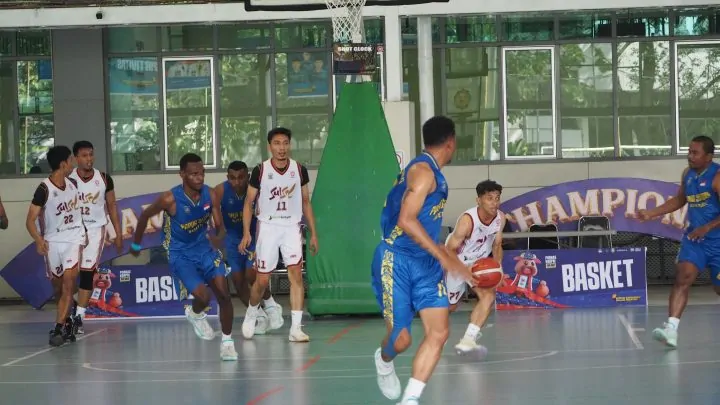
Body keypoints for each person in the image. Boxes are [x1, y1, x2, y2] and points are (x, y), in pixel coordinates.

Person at [371, 116, 475, 405]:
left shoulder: (434, 175)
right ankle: (383, 360)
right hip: (396, 259)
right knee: (401, 340)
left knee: (439, 333)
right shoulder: (423, 172)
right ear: (451, 142)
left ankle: (411, 399)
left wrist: (448, 256)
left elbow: (424, 226)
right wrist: (443, 256)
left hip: (425, 265)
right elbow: (406, 220)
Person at [129, 153, 238, 361]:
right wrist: (135, 244)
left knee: (224, 295)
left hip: (205, 249)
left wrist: (218, 239)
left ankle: (227, 343)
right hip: (181, 255)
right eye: (194, 174)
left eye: (202, 173)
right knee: (203, 298)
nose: (200, 177)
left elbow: (220, 227)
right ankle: (195, 313)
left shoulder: (210, 194)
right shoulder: (169, 199)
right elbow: (144, 216)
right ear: (182, 175)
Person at [639, 135, 720, 348]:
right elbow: (680, 199)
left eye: (695, 153)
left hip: (718, 241)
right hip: (695, 240)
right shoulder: (688, 174)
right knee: (683, 277)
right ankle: (671, 330)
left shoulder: (717, 177)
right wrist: (651, 213)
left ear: (709, 156)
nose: (690, 156)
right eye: (689, 152)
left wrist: (707, 227)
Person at [239, 127, 319, 343]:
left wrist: (313, 233)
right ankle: (252, 313)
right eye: (277, 143)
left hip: (291, 226)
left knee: (296, 275)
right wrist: (246, 233)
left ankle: (296, 328)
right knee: (262, 280)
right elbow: (248, 203)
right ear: (269, 146)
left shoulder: (299, 170)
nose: (281, 147)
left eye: (285, 143)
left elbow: (306, 202)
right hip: (268, 226)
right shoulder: (260, 170)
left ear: (289, 145)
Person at [25, 145, 87, 347]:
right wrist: (38, 240)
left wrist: (85, 233)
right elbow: (30, 221)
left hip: (74, 238)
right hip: (53, 241)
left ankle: (58, 328)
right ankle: (68, 317)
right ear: (63, 164)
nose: (73, 164)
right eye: (70, 160)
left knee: (69, 284)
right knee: (59, 288)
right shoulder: (44, 189)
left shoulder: (74, 184)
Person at [68, 140, 124, 334]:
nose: (89, 159)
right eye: (84, 155)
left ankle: (79, 318)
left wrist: (117, 233)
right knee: (69, 276)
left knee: (87, 274)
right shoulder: (68, 179)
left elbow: (112, 207)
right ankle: (72, 305)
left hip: (95, 230)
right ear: (76, 158)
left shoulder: (104, 179)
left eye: (91, 154)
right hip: (71, 231)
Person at [445, 180, 505, 355]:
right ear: (478, 200)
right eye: (489, 198)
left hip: (479, 263)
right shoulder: (467, 221)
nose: (494, 203)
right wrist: (465, 270)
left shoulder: (500, 218)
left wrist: (498, 270)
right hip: (457, 261)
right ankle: (437, 334)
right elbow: (449, 251)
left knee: (488, 297)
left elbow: (497, 245)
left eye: (497, 198)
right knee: (450, 307)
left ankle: (468, 340)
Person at [215, 160, 275, 335]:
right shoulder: (220, 191)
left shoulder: (257, 189)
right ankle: (260, 316)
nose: (237, 182)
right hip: (232, 240)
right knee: (238, 282)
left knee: (251, 274)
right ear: (227, 177)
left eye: (241, 177)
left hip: (254, 237)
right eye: (232, 178)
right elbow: (208, 208)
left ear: (247, 177)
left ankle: (271, 305)